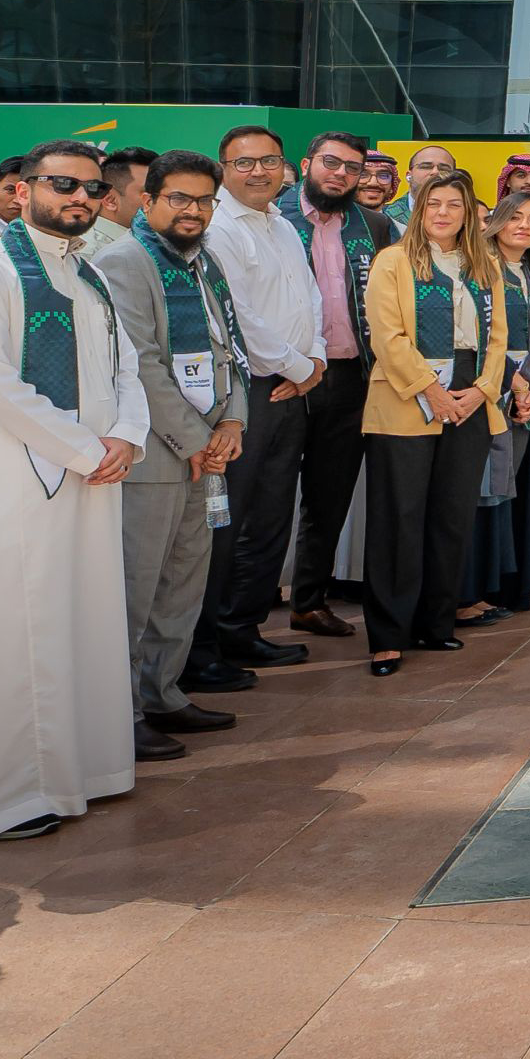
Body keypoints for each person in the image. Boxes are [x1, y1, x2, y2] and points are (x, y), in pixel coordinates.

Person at [0, 140, 143, 842]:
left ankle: (82, 770)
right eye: (63, 185)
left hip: (91, 476)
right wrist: (86, 448)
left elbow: (125, 365)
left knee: (79, 620)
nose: (80, 198)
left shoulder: (91, 275)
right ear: (21, 189)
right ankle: (3, 797)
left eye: (91, 188)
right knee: (9, 633)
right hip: (6, 481)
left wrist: (127, 435)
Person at [86, 152, 248, 766]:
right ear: (146, 201)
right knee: (137, 587)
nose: (193, 210)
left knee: (182, 583)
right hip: (155, 453)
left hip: (206, 448)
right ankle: (121, 713)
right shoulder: (124, 261)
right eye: (179, 198)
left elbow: (224, 345)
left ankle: (164, 693)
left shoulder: (203, 260)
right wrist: (197, 439)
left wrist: (233, 418)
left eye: (204, 200)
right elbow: (142, 362)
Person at [360, 173, 507, 677]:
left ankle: (434, 622)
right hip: (408, 395)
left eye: (455, 205)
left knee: (450, 514)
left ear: (469, 214)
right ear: (420, 208)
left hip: (468, 395)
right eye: (434, 203)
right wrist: (431, 389)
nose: (444, 213)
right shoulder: (394, 261)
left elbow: (498, 340)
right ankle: (387, 636)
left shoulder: (484, 266)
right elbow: (387, 335)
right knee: (398, 517)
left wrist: (483, 389)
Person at [193, 129, 320, 686]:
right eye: (244, 162)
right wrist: (300, 367)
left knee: (271, 517)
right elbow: (238, 317)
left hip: (294, 386)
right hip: (248, 393)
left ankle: (245, 629)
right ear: (224, 168)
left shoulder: (285, 225)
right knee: (230, 520)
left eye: (270, 160)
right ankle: (210, 639)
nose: (259, 171)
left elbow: (310, 297)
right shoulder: (220, 228)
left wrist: (313, 361)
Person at [261, 132, 383, 640]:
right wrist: (293, 367)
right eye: (331, 163)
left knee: (329, 497)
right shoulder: (272, 220)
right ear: (308, 163)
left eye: (353, 168)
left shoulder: (375, 226)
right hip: (283, 377)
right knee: (266, 498)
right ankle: (245, 612)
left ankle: (309, 601)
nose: (341, 174)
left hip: (351, 377)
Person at [467, 191, 530, 615]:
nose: (524, 226)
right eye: (515, 217)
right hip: (489, 399)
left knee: (508, 496)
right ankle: (470, 593)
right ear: (497, 222)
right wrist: (513, 384)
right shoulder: (480, 270)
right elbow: (481, 338)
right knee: (482, 496)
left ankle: (502, 588)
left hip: (523, 405)